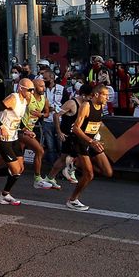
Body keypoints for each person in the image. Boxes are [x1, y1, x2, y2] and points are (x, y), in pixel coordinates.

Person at [57, 82, 112, 210]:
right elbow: (76, 128)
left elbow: (95, 125)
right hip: (80, 141)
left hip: (92, 142)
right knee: (89, 175)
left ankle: (74, 164)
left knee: (108, 172)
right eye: (105, 95)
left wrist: (96, 139)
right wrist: (91, 141)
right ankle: (73, 200)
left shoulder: (101, 106)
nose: (107, 98)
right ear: (96, 94)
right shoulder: (87, 105)